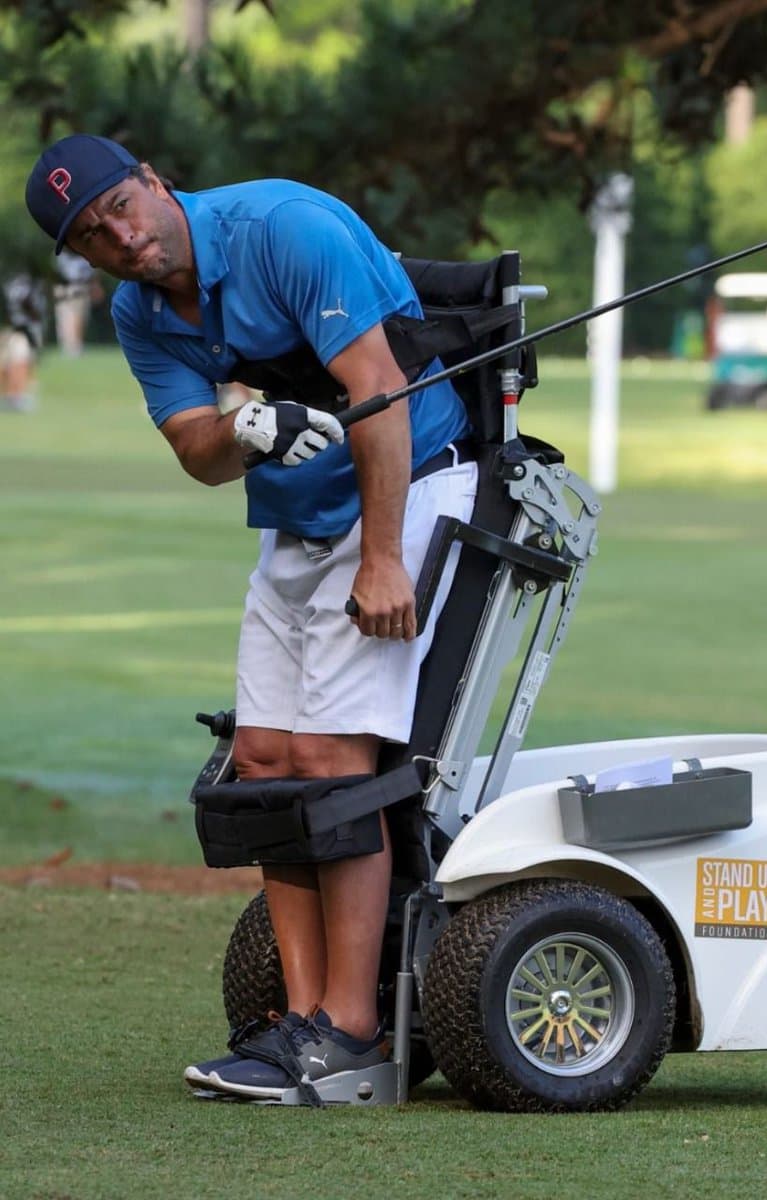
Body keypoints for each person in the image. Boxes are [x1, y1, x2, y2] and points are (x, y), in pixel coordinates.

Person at [25, 134, 477, 1102]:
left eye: (118, 206)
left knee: (330, 762)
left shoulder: (285, 227)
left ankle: (352, 1037)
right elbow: (196, 449)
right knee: (266, 761)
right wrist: (244, 429)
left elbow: (379, 391)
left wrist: (387, 557)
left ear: (152, 180)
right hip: (298, 518)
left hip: (408, 490)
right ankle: (300, 1023)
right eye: (91, 235)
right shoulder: (137, 308)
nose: (118, 235)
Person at [0, 272, 47, 412]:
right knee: (12, 362)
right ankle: (13, 396)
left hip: (25, 329)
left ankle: (16, 396)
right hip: (13, 329)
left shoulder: (30, 284)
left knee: (20, 361)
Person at [52, 247, 103, 356]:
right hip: (65, 288)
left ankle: (76, 344)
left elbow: (93, 274)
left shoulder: (85, 256)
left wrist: (95, 287)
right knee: (66, 317)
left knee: (81, 317)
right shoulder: (60, 256)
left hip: (82, 287)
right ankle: (69, 346)